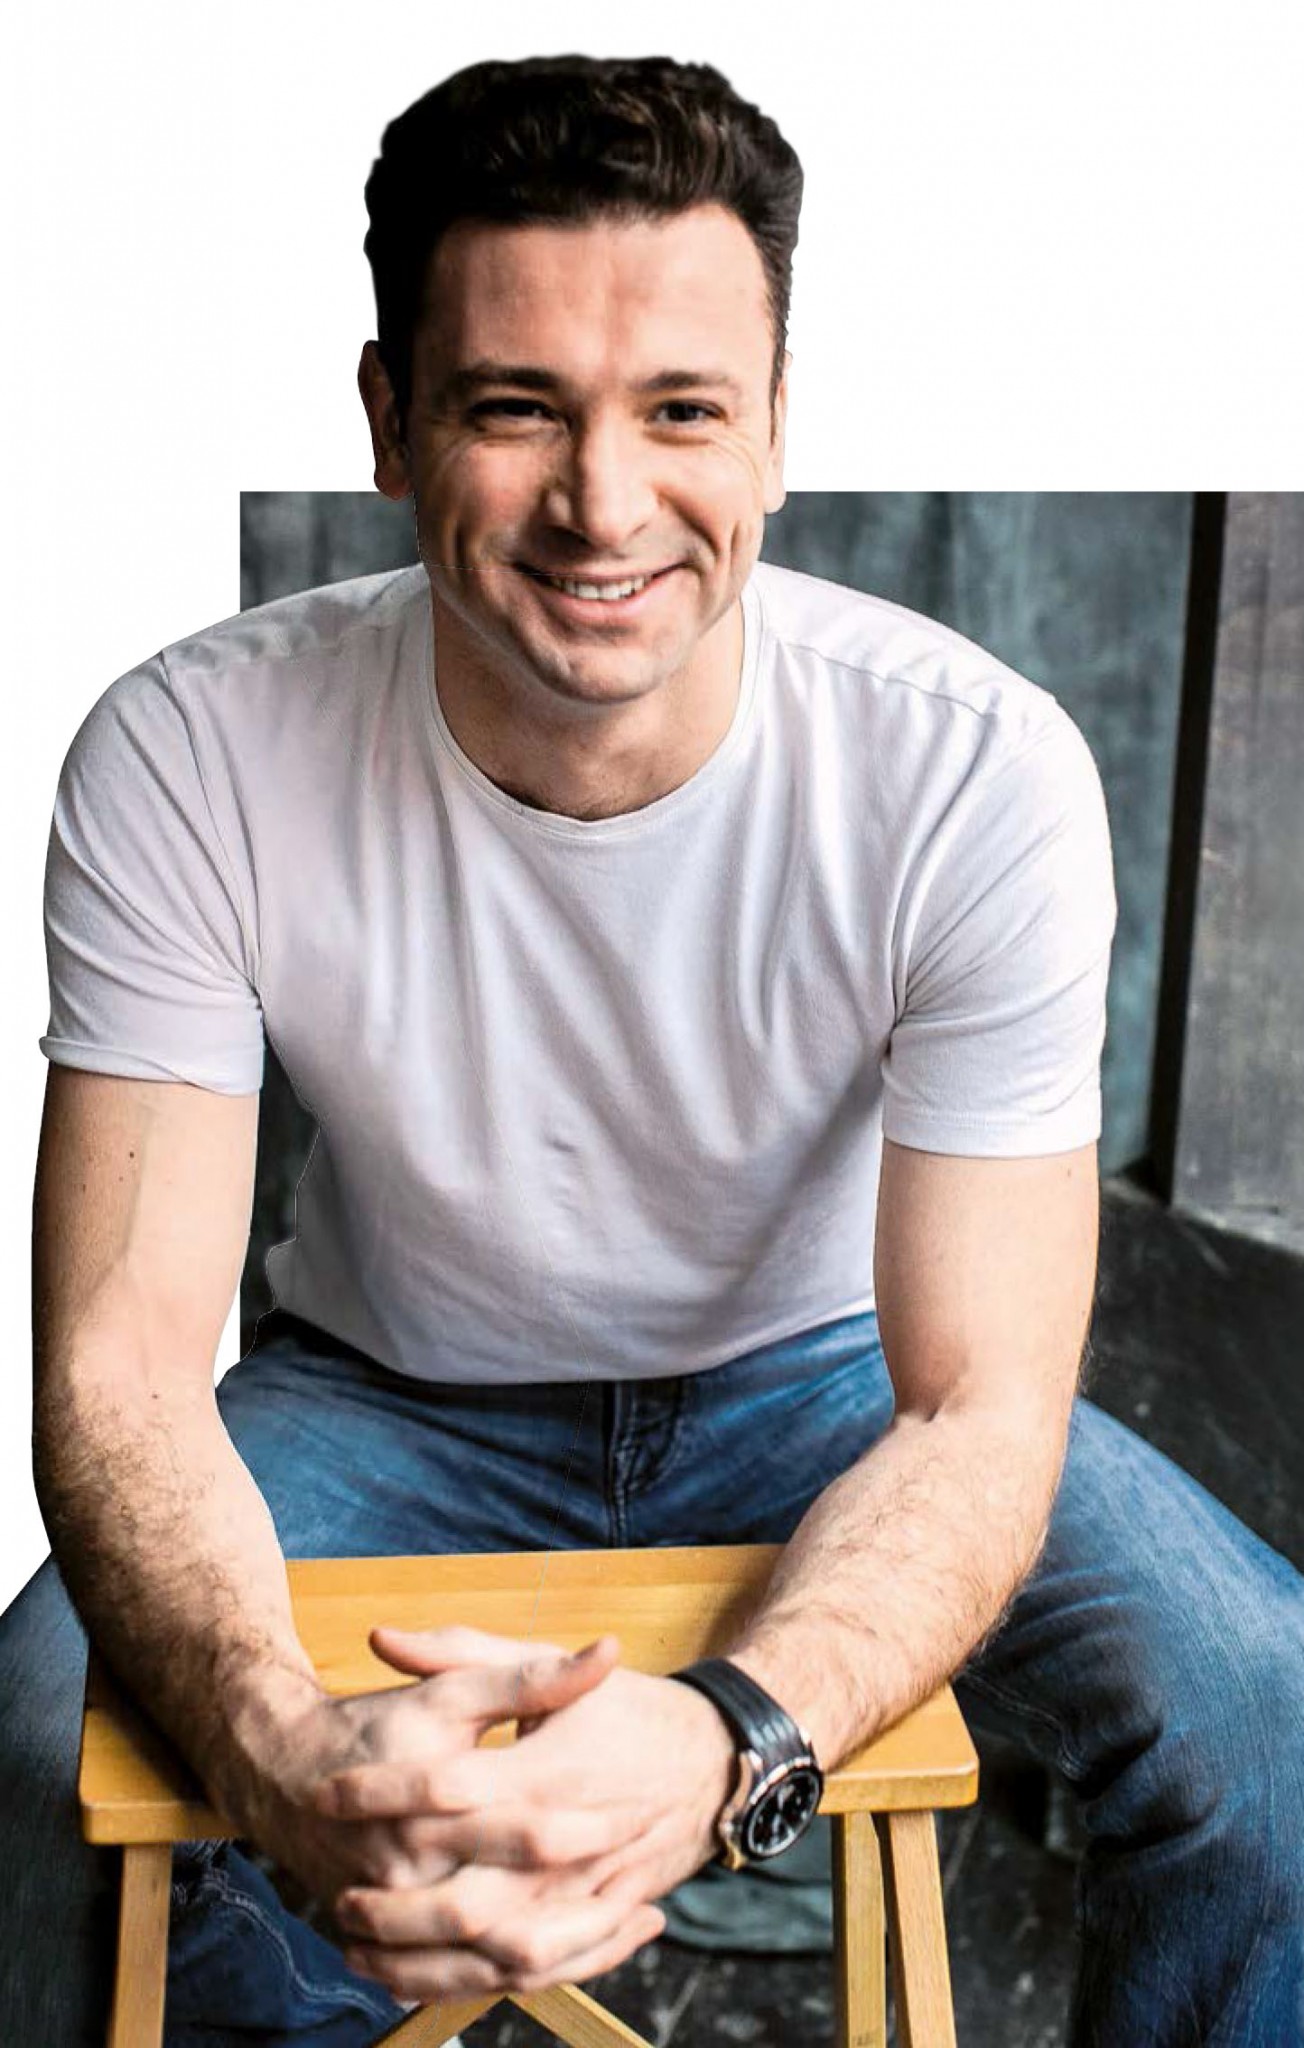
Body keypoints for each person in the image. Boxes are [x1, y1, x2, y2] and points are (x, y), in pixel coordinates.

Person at [2, 51, 1301, 2048]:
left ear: (776, 424)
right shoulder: (191, 749)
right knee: (38, 1764)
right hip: (390, 1400)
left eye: (681, 409)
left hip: (831, 1391)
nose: (603, 505)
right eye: (515, 407)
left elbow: (978, 1410)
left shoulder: (973, 774)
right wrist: (279, 1749)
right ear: (390, 422)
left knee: (1271, 1719)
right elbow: (119, 1363)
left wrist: (732, 1739)